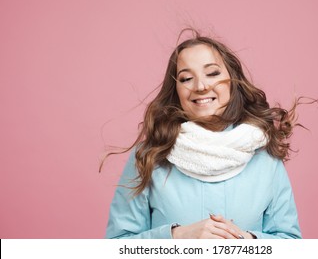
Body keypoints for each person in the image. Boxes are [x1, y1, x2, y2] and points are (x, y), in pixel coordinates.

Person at [102, 29, 304, 239]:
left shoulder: (265, 157)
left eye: (213, 73)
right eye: (186, 78)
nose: (200, 86)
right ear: (176, 91)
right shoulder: (148, 155)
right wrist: (177, 237)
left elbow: (290, 243)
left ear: (232, 81)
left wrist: (247, 242)